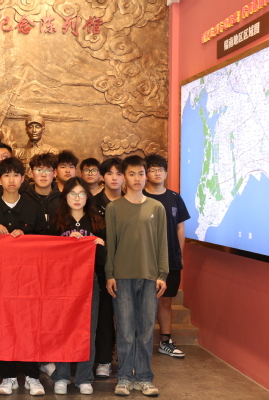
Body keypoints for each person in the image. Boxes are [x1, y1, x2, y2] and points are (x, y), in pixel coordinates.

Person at [0, 157, 47, 396]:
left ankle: (32, 377)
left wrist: (27, 237)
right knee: (2, 326)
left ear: (23, 178)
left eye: (16, 175)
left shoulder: (33, 208)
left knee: (29, 327)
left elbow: (47, 242)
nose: (11, 180)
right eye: (6, 175)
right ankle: (8, 376)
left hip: (29, 281)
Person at [105, 155, 168, 397]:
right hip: (122, 277)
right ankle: (124, 377)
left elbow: (162, 243)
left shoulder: (156, 207)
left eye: (141, 173)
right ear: (124, 177)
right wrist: (110, 274)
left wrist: (162, 274)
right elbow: (111, 244)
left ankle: (143, 377)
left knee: (145, 331)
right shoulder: (114, 208)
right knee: (125, 329)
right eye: (132, 174)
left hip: (150, 276)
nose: (137, 178)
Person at [51, 177, 106, 395]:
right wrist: (64, 243)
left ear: (87, 197)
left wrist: (97, 245)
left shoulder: (97, 221)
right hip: (61, 284)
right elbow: (46, 254)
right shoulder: (57, 222)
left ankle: (84, 377)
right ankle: (62, 376)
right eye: (72, 194)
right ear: (65, 197)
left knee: (87, 330)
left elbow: (103, 258)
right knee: (62, 329)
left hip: (88, 282)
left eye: (81, 194)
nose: (77, 198)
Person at [144, 153, 190, 359]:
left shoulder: (174, 198)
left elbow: (180, 227)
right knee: (142, 303)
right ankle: (139, 345)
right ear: (146, 173)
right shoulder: (139, 196)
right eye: (152, 170)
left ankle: (165, 342)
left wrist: (179, 253)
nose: (157, 173)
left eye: (160, 170)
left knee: (166, 302)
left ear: (166, 173)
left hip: (170, 259)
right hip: (145, 260)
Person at [91, 157, 124, 379]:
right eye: (110, 173)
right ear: (102, 176)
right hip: (101, 268)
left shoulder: (132, 202)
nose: (114, 178)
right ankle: (104, 359)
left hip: (127, 267)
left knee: (126, 317)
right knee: (103, 315)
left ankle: (125, 358)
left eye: (119, 173)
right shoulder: (92, 204)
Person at [23, 152, 61, 234]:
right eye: (39, 170)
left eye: (48, 170)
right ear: (31, 173)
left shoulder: (63, 199)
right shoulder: (23, 199)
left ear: (55, 173)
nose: (43, 175)